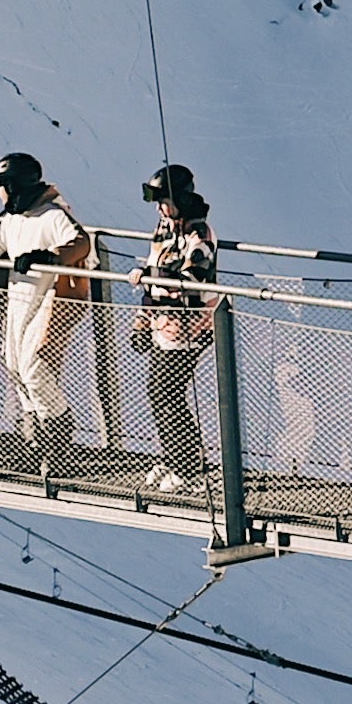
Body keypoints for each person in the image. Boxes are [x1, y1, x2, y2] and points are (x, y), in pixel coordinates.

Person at [0, 152, 96, 469]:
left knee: (36, 370)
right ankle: (36, 440)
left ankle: (58, 444)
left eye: (1, 185)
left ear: (16, 186)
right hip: (20, 301)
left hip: (48, 301)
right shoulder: (15, 218)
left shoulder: (51, 215)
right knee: (15, 365)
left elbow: (80, 242)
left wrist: (49, 256)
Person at [136, 163, 224, 488]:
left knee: (168, 394)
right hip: (163, 324)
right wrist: (142, 322)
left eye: (166, 201)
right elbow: (151, 271)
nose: (161, 209)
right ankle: (175, 456)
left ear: (182, 200)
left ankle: (188, 468)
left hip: (190, 327)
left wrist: (151, 277)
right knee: (158, 393)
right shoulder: (163, 230)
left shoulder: (198, 233)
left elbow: (192, 277)